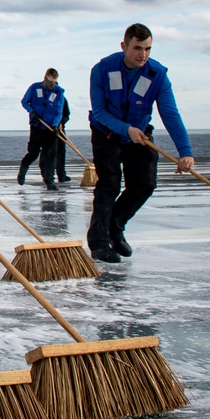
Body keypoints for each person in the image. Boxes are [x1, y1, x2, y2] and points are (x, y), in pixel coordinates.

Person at [87, 23, 194, 263]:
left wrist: (185, 152)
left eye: (148, 49)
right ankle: (99, 243)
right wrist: (126, 129)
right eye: (137, 48)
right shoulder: (102, 70)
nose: (142, 54)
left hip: (140, 134)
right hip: (106, 134)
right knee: (109, 185)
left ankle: (115, 226)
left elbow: (171, 114)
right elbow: (100, 112)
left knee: (145, 183)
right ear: (124, 46)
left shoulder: (158, 75)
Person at [17, 68, 66, 191]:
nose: (51, 85)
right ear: (45, 78)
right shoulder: (34, 87)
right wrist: (32, 112)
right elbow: (24, 101)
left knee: (50, 155)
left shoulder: (59, 92)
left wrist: (55, 125)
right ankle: (23, 169)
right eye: (50, 82)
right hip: (37, 125)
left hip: (50, 128)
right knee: (33, 153)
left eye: (54, 83)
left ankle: (49, 180)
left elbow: (59, 111)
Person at [55, 99, 71, 182]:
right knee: (48, 152)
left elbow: (67, 114)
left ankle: (61, 175)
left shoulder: (62, 99)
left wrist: (62, 123)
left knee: (61, 151)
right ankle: (48, 176)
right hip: (47, 129)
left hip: (60, 129)